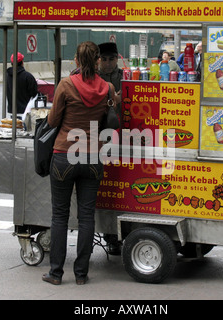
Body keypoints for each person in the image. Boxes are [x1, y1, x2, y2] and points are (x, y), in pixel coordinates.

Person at [42, 41, 116, 285]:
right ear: (97, 61)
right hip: (93, 157)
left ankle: (55, 273)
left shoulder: (65, 84)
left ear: (75, 60)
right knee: (86, 217)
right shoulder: (107, 87)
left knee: (59, 216)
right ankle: (81, 274)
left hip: (64, 154)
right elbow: (113, 117)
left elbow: (53, 121)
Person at [98, 42, 123, 255]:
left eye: (111, 59)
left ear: (117, 59)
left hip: (121, 135)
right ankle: (107, 235)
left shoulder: (124, 75)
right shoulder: (91, 77)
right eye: (104, 59)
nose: (107, 63)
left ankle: (114, 237)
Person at [6, 52, 37, 116]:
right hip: (25, 111)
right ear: (22, 62)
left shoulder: (7, 76)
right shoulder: (28, 77)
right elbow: (34, 94)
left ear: (12, 63)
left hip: (12, 112)